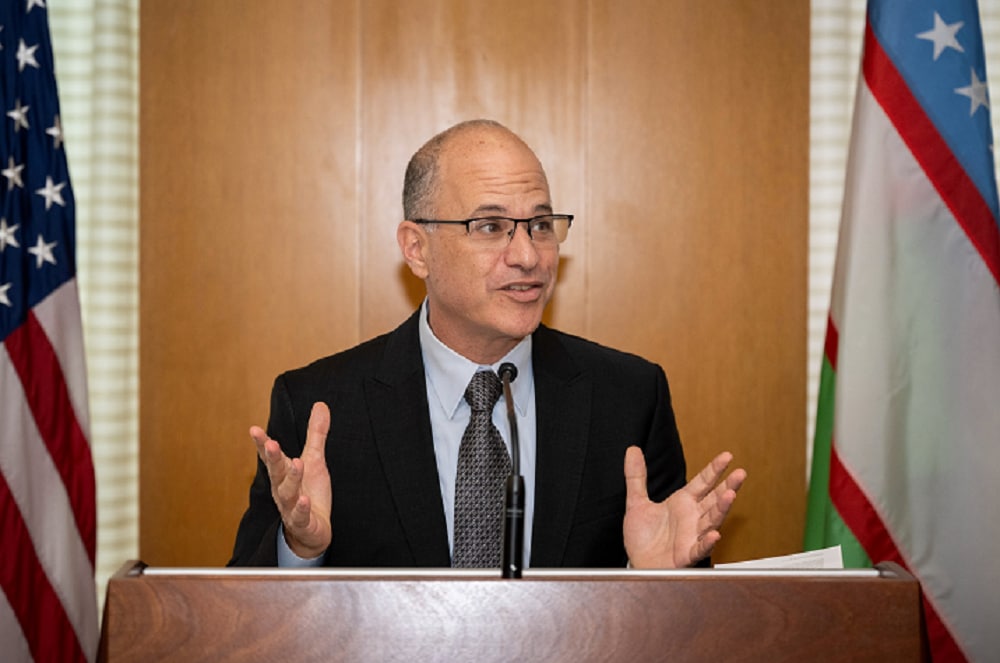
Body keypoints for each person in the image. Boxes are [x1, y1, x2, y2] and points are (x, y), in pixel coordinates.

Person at [229, 119, 745, 569]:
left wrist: (651, 579)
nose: (528, 256)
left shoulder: (629, 397)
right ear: (417, 248)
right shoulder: (320, 407)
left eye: (540, 225)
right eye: (492, 226)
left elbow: (684, 612)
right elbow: (242, 617)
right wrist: (300, 549)